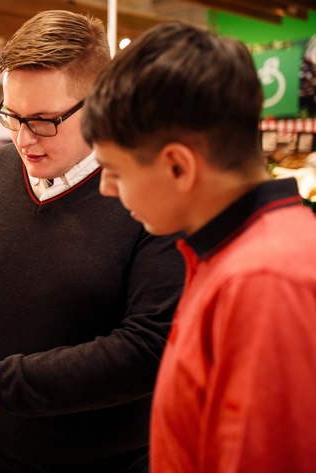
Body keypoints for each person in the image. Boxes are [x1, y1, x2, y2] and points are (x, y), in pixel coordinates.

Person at [0, 10, 185, 473]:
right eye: (12, 115)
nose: (24, 139)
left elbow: (147, 349)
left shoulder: (150, 198)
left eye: (45, 120)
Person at [81, 22, 316, 473]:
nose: (107, 189)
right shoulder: (237, 254)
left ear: (177, 166)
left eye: (114, 170)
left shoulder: (263, 282)